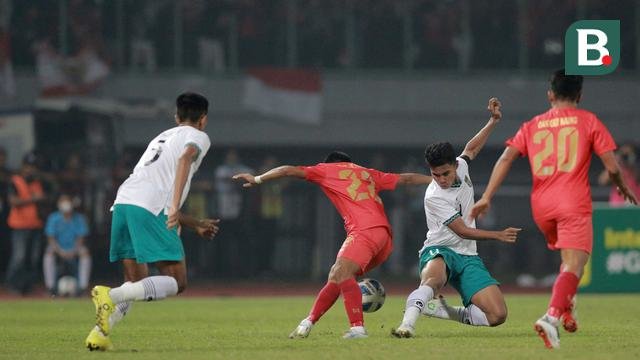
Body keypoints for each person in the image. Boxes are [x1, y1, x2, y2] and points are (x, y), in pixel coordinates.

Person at [471, 70, 638, 349]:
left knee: (571, 261)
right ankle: (551, 317)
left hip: (541, 206)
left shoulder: (533, 125)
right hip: (573, 201)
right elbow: (611, 167)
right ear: (580, 96)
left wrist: (487, 196)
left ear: (550, 95)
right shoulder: (588, 121)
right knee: (576, 264)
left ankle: (569, 308)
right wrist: (621, 185)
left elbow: (506, 157)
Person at [233, 152, 432, 339]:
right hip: (384, 237)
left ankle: (357, 328)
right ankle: (307, 323)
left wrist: (258, 179)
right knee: (337, 276)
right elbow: (406, 179)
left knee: (343, 273)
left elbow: (287, 170)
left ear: (330, 162)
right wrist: (435, 181)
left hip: (364, 230)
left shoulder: (326, 169)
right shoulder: (367, 173)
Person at [85, 92, 221, 351]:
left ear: (176, 116)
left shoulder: (161, 137)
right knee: (177, 282)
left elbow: (154, 185)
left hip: (124, 203)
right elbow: (185, 158)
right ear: (203, 119)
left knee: (135, 283)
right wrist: (173, 206)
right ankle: (109, 295)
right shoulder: (198, 136)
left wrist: (193, 222)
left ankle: (99, 335)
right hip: (151, 208)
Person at [391, 98, 521, 338]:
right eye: (435, 174)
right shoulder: (433, 196)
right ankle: (406, 326)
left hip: (468, 255)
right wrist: (497, 235)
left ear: (454, 165)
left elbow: (471, 149)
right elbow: (462, 230)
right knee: (434, 280)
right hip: (440, 249)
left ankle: (441, 310)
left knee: (497, 316)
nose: (440, 179)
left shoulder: (462, 165)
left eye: (445, 173)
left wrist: (492, 121)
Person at [5, 153, 47, 295]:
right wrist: (32, 199)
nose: (31, 170)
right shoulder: (15, 181)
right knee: (19, 257)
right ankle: (11, 284)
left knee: (33, 258)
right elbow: (13, 201)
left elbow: (42, 198)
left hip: (35, 225)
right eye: (28, 166)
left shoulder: (36, 182)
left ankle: (26, 286)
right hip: (19, 225)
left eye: (33, 167)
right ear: (23, 166)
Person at [43, 194, 91, 296]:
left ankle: (82, 287)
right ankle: (50, 287)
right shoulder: (53, 218)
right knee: (48, 254)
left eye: (67, 201)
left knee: (85, 254)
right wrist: (60, 251)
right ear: (58, 204)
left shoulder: (79, 218)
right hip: (58, 247)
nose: (66, 204)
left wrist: (73, 251)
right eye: (63, 201)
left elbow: (81, 238)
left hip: (75, 247)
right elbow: (51, 238)